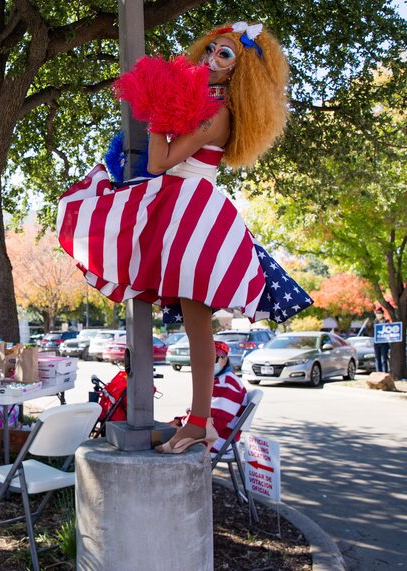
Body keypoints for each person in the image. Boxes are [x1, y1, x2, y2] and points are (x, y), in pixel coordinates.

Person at [58, 22, 312, 455]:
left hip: (189, 211)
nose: (212, 58)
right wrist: (165, 110)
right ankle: (201, 421)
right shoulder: (204, 105)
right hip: (175, 208)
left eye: (225, 55)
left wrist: (159, 112)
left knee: (198, 326)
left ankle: (200, 421)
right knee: (195, 324)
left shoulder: (215, 114)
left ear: (239, 72)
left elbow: (158, 162)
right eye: (211, 49)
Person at [169, 341, 248, 455]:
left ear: (224, 359)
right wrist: (180, 421)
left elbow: (216, 424)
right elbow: (203, 414)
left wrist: (183, 427)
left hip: (217, 441)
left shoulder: (226, 383)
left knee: (157, 440)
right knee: (159, 433)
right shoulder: (218, 380)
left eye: (214, 358)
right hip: (210, 435)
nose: (207, 362)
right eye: (203, 358)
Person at [374, 308, 391, 373]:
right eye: (377, 313)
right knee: (377, 359)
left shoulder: (386, 321)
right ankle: (378, 373)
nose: (378, 314)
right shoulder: (375, 321)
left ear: (382, 314)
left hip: (384, 343)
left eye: (379, 313)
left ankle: (385, 373)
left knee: (384, 359)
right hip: (376, 343)